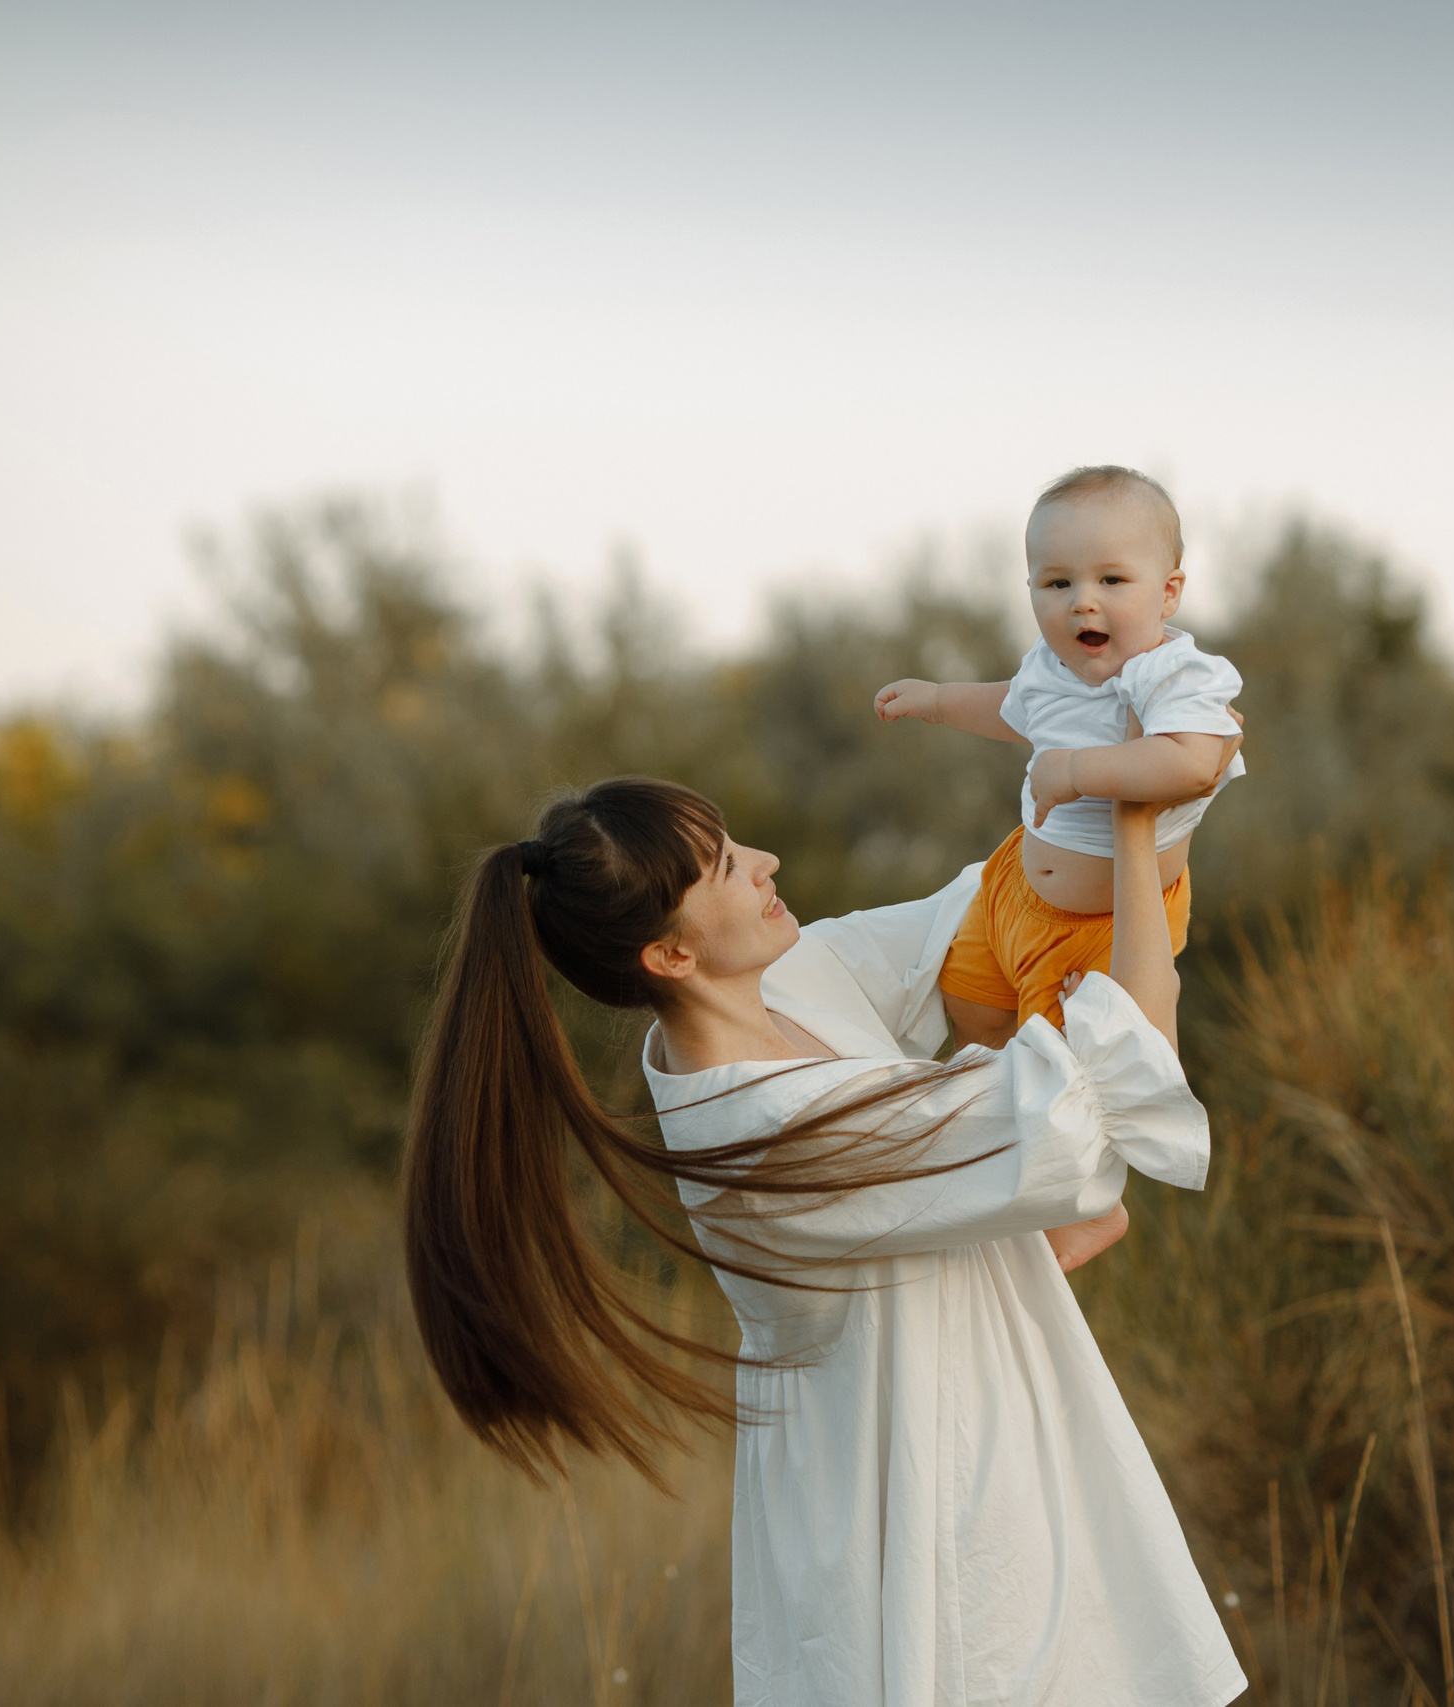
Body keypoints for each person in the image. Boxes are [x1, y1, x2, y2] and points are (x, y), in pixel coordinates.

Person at [399, 768, 1247, 1707]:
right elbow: (1093, 1102)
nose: (765, 863)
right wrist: (1132, 834)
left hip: (983, 1448)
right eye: (724, 865)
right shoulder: (766, 1132)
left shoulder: (791, 984)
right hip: (929, 1507)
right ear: (672, 957)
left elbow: (979, 914)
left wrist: (1108, 755)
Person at [874, 465, 1245, 1052]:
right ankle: (983, 1093)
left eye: (1112, 580)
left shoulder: (1173, 674)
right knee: (969, 1005)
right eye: (1057, 584)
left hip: (1108, 924)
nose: (1082, 603)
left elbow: (1196, 762)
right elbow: (1016, 708)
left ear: (1168, 592)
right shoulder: (1051, 666)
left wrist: (1076, 771)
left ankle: (1008, 1128)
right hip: (1016, 886)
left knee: (1058, 1066)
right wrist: (940, 701)